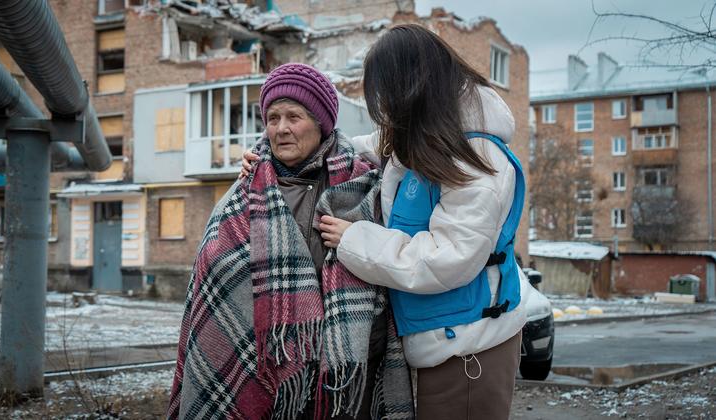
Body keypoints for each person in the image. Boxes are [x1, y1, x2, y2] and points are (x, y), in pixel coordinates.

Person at [241, 24, 529, 419]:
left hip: (470, 344)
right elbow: (351, 148)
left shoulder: (478, 158)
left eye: (388, 94)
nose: (387, 108)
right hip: (439, 334)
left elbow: (450, 259)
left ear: (413, 86)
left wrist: (355, 239)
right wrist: (270, 158)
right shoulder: (424, 137)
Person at [168, 63, 413, 420]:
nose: (281, 128)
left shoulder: (365, 186)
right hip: (258, 371)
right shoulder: (243, 196)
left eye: (294, 116)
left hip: (348, 373)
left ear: (321, 122)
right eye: (272, 117)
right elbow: (213, 285)